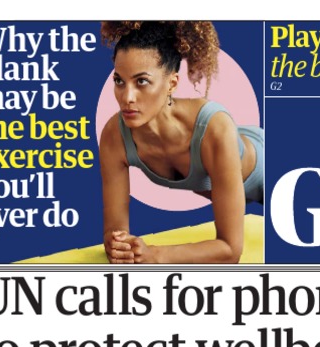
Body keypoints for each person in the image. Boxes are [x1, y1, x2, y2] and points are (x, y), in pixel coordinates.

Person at [99, 21, 263, 265]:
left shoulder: (214, 128)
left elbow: (230, 251)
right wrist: (119, 246)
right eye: (119, 81)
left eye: (141, 81)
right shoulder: (115, 135)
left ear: (172, 84)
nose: (127, 97)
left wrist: (155, 254)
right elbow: (114, 234)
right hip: (224, 177)